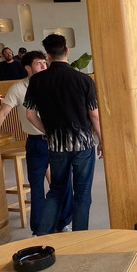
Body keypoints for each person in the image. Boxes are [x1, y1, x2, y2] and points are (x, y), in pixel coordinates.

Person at [0, 51, 74, 236]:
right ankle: (39, 229)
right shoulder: (18, 88)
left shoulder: (54, 82)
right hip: (36, 142)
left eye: (44, 62)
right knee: (36, 186)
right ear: (28, 67)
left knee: (64, 182)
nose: (44, 66)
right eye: (38, 63)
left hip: (58, 140)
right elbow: (3, 113)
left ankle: (63, 223)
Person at [24, 34, 102, 236]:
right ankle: (80, 238)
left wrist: (48, 132)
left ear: (48, 55)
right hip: (83, 144)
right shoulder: (84, 80)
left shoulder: (37, 81)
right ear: (67, 51)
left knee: (56, 191)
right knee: (82, 194)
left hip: (56, 145)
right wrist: (102, 140)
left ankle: (42, 235)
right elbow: (94, 115)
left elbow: (30, 115)